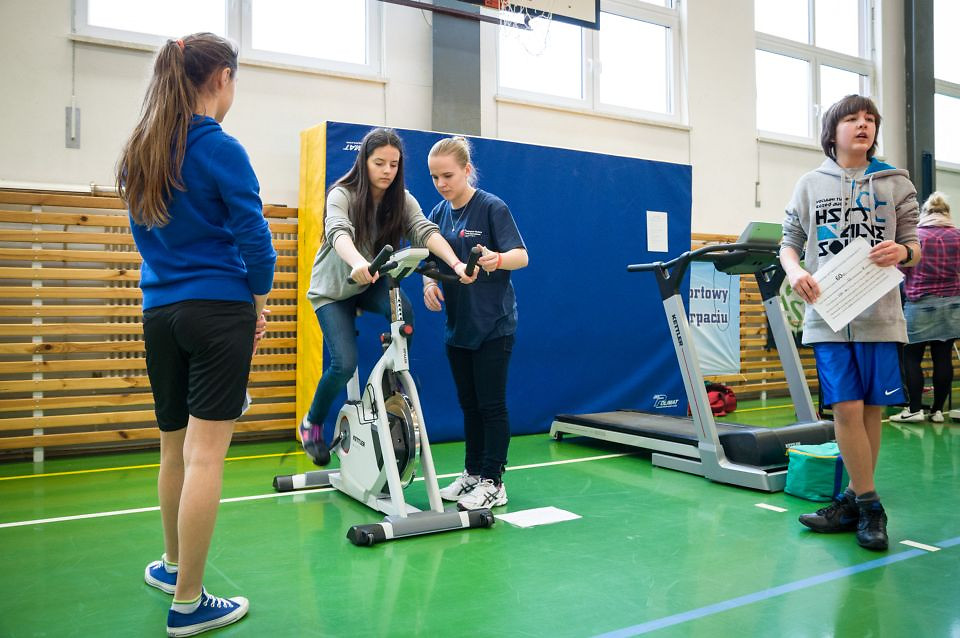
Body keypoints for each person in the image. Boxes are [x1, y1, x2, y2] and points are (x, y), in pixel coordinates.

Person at [118, 33, 276, 636]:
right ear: (222, 78)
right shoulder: (219, 148)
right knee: (206, 456)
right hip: (216, 311)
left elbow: (147, 238)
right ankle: (188, 603)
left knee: (174, 448)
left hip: (160, 313)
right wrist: (256, 301)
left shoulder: (141, 150)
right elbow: (254, 238)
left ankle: (171, 565)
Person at [780, 94, 919, 552]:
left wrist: (902, 251)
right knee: (845, 408)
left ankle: (851, 501)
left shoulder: (896, 182)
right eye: (853, 118)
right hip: (829, 316)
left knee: (871, 410)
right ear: (833, 130)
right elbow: (789, 242)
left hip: (880, 315)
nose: (864, 125)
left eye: (870, 119)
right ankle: (871, 506)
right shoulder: (809, 184)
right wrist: (795, 272)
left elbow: (914, 246)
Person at [300, 128, 476, 464]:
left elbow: (425, 231)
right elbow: (338, 232)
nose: (387, 170)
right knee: (343, 364)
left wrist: (455, 263)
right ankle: (312, 422)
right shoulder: (342, 194)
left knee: (403, 312)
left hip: (369, 284)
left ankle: (391, 381)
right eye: (379, 162)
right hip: (333, 290)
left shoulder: (402, 200)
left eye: (393, 164)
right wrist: (358, 262)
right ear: (363, 161)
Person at [422, 136, 528, 511]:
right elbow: (428, 258)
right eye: (435, 177)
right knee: (469, 405)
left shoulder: (491, 207)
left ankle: (493, 481)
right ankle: (472, 473)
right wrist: (429, 284)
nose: (441, 183)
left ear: (467, 170)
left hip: (494, 325)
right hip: (458, 325)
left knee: (491, 405)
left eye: (448, 175)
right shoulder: (437, 213)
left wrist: (498, 259)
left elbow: (522, 256)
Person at [891, 192, 960, 423]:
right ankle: (937, 411)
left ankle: (914, 409)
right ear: (947, 212)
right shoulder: (958, 236)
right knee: (943, 357)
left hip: (920, 303)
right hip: (953, 303)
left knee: (911, 356)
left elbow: (901, 271)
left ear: (924, 212)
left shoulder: (917, 238)